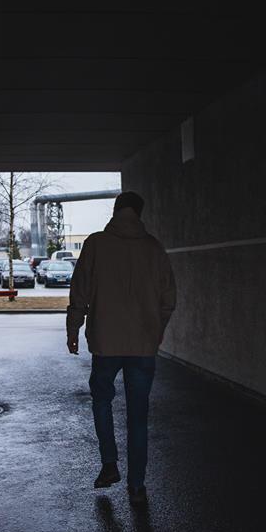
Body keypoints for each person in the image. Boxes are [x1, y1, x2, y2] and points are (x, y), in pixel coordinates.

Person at [66, 191, 176, 505]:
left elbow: (80, 291)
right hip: (143, 345)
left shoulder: (96, 244)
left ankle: (109, 464)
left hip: (106, 343)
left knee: (102, 401)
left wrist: (73, 329)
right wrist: (157, 330)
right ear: (139, 214)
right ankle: (137, 484)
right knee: (138, 415)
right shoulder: (154, 248)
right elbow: (168, 299)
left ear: (115, 211)